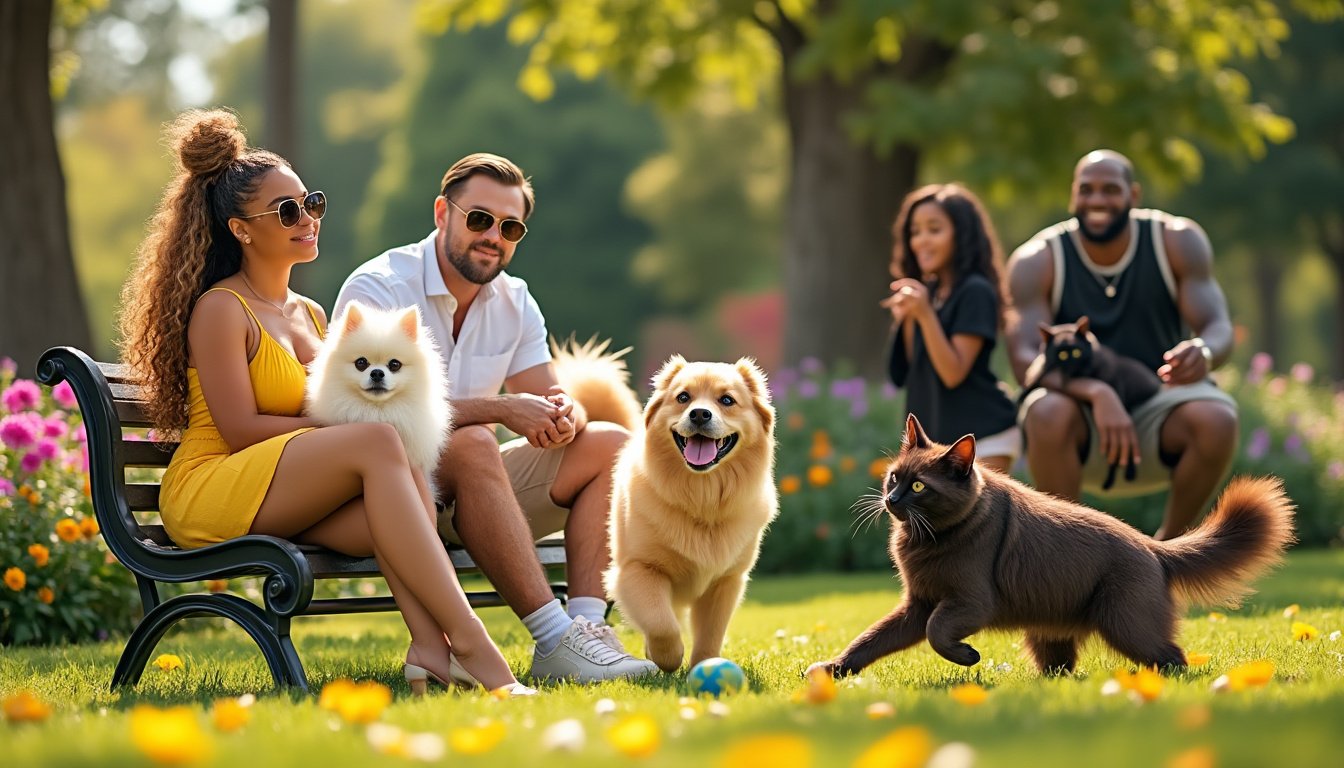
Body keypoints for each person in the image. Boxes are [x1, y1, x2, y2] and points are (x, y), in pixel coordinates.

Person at [117, 111, 533, 696]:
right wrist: (343, 423)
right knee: (380, 439)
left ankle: (428, 650)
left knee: (405, 479)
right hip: (214, 486)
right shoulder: (221, 310)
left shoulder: (311, 316)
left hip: (282, 484)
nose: (307, 219)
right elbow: (237, 430)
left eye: (311, 203)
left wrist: (353, 423)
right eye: (287, 211)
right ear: (241, 229)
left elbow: (344, 422)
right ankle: (476, 648)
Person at [334, 153, 658, 683]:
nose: (494, 237)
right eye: (479, 219)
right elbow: (365, 414)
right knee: (473, 441)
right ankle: (554, 640)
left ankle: (586, 630)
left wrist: (564, 414)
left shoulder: (516, 300)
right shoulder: (381, 289)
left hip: (476, 501)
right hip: (392, 496)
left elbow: (549, 393)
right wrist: (502, 408)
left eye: (510, 227)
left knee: (611, 443)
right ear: (442, 213)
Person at [1006, 149, 1238, 540]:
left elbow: (1218, 326)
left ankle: (1171, 553)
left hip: (1160, 406)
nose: (1097, 201)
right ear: (1072, 196)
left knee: (1219, 418)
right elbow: (1026, 363)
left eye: (1110, 190)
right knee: (1045, 410)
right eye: (1087, 190)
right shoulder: (1037, 260)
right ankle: (1067, 559)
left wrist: (1204, 351)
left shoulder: (1177, 241)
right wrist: (1097, 392)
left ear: (1133, 194)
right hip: (1075, 420)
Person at [882, 183, 1020, 473]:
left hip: (981, 439)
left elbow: (953, 372)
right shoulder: (928, 293)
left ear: (962, 234)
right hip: (935, 446)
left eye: (934, 229)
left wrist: (925, 314)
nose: (921, 241)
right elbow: (909, 369)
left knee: (982, 520)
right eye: (915, 232)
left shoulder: (976, 291)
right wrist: (910, 316)